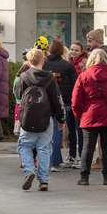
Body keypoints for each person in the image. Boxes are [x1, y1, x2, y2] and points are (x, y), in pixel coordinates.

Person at [14, 48, 65, 192]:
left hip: (27, 118)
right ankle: (43, 180)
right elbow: (57, 99)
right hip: (46, 118)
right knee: (44, 148)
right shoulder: (50, 78)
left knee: (24, 146)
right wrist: (61, 118)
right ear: (43, 61)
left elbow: (17, 94)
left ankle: (29, 170)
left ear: (29, 63)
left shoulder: (24, 77)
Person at [71, 49, 107, 186]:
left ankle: (84, 177)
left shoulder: (84, 76)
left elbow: (76, 100)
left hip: (89, 114)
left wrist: (79, 115)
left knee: (87, 147)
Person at [43, 40, 78, 170]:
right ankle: (55, 162)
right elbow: (75, 84)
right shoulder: (68, 66)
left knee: (47, 132)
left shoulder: (44, 64)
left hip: (47, 101)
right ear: (63, 51)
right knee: (58, 132)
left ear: (50, 50)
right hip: (64, 102)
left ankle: (53, 159)